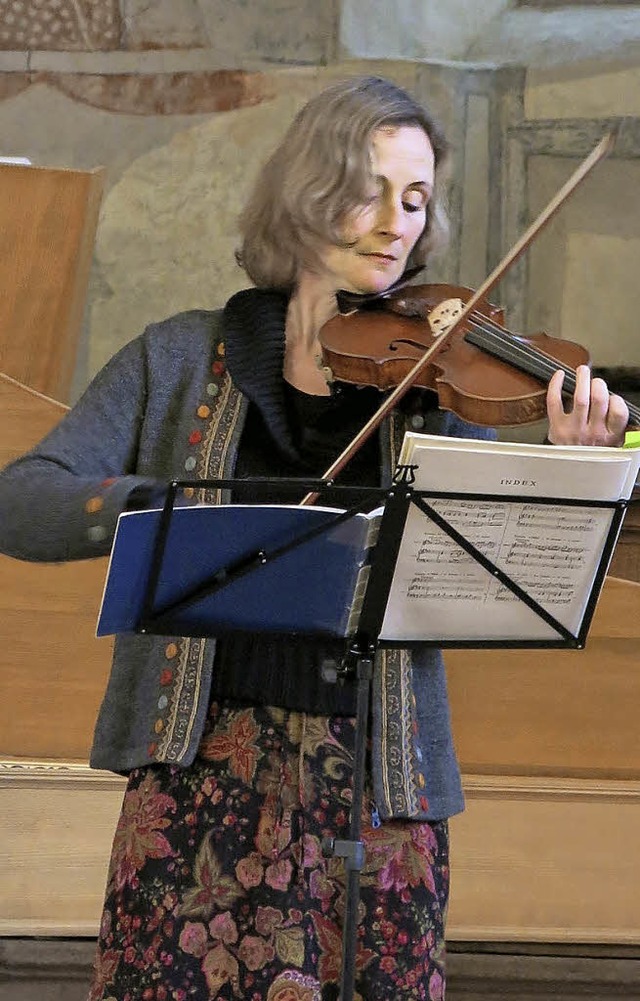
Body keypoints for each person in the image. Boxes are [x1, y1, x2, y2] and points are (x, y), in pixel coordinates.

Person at [0, 76, 629, 1001]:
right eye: (367, 187)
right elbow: (23, 497)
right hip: (197, 780)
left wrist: (578, 465)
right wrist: (165, 509)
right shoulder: (178, 357)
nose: (395, 221)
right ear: (303, 191)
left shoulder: (437, 385)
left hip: (379, 795)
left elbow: (497, 551)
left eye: (415, 199)